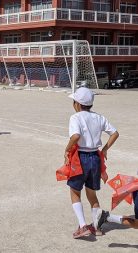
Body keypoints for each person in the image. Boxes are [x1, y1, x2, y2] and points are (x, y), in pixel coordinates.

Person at [64, 87, 119, 239]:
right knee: (91, 194)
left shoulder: (75, 117)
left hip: (80, 157)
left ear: (77, 103)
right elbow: (115, 133)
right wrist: (105, 149)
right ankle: (97, 227)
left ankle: (82, 226)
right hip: (95, 157)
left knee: (75, 192)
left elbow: (75, 136)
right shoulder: (99, 117)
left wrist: (67, 150)